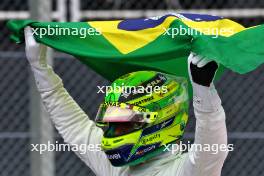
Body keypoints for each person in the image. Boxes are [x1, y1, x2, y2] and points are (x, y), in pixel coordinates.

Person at [24, 26, 228, 176]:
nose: (111, 131)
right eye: (111, 122)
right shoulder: (116, 169)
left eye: (123, 122)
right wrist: (40, 68)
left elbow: (211, 148)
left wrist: (203, 90)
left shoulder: (188, 171)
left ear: (160, 120)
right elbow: (73, 126)